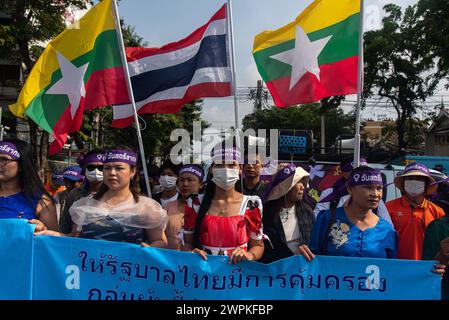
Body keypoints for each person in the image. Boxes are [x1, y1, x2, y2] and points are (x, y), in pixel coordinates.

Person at [36, 149, 168, 247]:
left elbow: (160, 241)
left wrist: (150, 249)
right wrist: (51, 234)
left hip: (127, 277)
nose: (112, 173)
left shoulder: (147, 207)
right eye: (107, 168)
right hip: (90, 275)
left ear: (133, 172)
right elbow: (74, 239)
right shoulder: (84, 205)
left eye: (119, 168)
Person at [183, 144, 265, 264]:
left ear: (240, 169)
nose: (226, 169)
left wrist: (249, 255)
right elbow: (188, 244)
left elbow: (258, 245)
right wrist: (191, 253)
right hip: (205, 276)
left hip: (238, 278)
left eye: (232, 165)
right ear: (212, 169)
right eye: (220, 165)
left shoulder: (251, 204)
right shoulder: (195, 203)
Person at [298, 166, 398, 260]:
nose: (375, 194)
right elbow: (312, 258)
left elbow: (390, 271)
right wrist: (303, 254)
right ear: (350, 189)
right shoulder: (326, 219)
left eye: (379, 188)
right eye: (368, 187)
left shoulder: (387, 231)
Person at [386, 162, 445, 260]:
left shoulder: (437, 211)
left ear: (426, 184)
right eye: (409, 178)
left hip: (426, 268)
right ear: (403, 182)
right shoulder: (389, 207)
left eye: (419, 179)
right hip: (395, 266)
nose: (414, 182)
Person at [313, 157, 393, 226]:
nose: (363, 176)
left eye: (365, 172)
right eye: (355, 173)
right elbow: (317, 220)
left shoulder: (375, 198)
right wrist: (341, 214)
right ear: (345, 175)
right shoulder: (329, 194)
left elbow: (387, 227)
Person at [260, 163, 314, 263]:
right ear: (285, 188)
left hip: (302, 269)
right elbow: (262, 248)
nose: (303, 187)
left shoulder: (307, 211)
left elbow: (313, 243)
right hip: (274, 271)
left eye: (302, 182)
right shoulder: (265, 214)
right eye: (297, 182)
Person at [0, 139, 58, 231]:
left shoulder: (42, 202)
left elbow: (53, 242)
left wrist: (44, 231)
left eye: (4, 160)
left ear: (22, 165)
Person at [59, 150, 106, 234]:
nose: (96, 171)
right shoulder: (74, 194)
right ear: (84, 169)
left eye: (101, 168)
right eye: (91, 167)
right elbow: (65, 226)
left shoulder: (114, 194)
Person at [164, 164, 204, 250]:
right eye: (181, 180)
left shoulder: (206, 208)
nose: (185, 184)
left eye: (190, 180)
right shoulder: (167, 207)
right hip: (171, 261)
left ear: (200, 184)